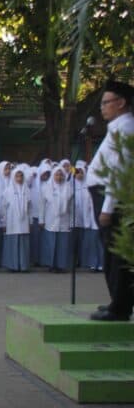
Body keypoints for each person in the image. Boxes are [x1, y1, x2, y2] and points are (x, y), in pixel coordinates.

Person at [86, 80, 134, 321]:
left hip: (110, 197)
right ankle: (117, 300)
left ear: (121, 103)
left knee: (116, 255)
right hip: (104, 193)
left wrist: (108, 207)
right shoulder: (118, 127)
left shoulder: (125, 129)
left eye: (106, 102)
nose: (102, 108)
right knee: (110, 253)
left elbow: (118, 171)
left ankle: (121, 306)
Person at [39, 166, 73, 272]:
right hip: (50, 219)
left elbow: (71, 207)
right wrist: (41, 220)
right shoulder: (46, 188)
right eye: (57, 175)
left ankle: (61, 266)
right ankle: (51, 265)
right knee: (50, 243)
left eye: (61, 175)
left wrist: (72, 222)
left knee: (62, 244)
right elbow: (42, 205)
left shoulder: (69, 188)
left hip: (64, 220)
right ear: (53, 175)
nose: (59, 177)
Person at [1, 165, 31, 272]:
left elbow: (29, 207)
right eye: (17, 176)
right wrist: (4, 222)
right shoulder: (7, 191)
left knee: (23, 244)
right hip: (12, 221)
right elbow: (3, 208)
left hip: (23, 221)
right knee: (12, 243)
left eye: (21, 176)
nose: (19, 179)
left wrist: (30, 221)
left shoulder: (27, 190)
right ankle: (12, 265)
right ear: (13, 177)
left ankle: (23, 265)